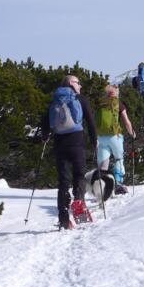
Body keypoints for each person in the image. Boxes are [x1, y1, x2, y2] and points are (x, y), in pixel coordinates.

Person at [41, 75, 97, 229]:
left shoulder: (55, 100)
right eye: (78, 83)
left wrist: (45, 136)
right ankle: (79, 200)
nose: (80, 86)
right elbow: (91, 121)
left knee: (63, 182)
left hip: (59, 144)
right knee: (79, 174)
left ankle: (64, 218)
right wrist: (94, 140)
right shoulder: (81, 99)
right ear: (72, 83)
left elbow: (45, 122)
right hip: (76, 142)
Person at [96, 85, 136, 195]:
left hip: (101, 137)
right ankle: (118, 185)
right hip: (115, 137)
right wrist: (132, 133)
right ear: (116, 93)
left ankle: (102, 186)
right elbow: (126, 122)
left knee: (103, 162)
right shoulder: (118, 104)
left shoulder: (100, 104)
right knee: (119, 159)